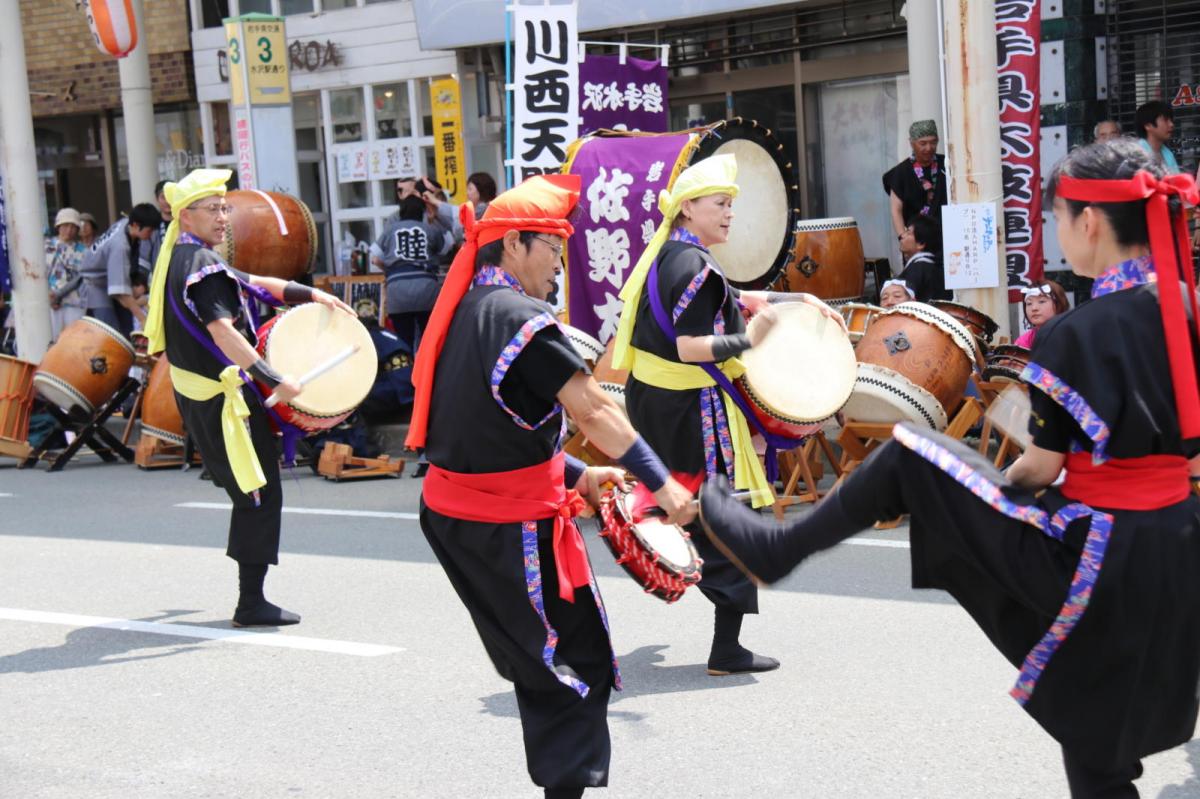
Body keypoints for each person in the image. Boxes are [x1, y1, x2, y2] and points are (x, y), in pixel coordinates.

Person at [698, 138, 1200, 798]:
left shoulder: (1073, 333)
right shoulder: (1187, 310)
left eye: (1056, 219)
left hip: (1099, 550)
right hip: (1178, 545)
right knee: (1104, 749)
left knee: (913, 452)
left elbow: (1041, 467)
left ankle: (782, 545)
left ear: (1089, 222)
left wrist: (985, 485)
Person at [407, 173, 695, 798]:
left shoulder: (462, 309)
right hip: (501, 519)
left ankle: (564, 784)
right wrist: (662, 483)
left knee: (551, 657)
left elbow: (487, 428)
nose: (560, 268)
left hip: (465, 510)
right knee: (566, 662)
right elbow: (594, 410)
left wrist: (580, 474)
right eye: (554, 252)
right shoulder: (518, 319)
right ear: (513, 245)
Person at [612, 154, 842, 676]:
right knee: (728, 516)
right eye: (720, 203)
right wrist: (750, 339)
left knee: (690, 502)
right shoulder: (694, 266)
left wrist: (793, 298)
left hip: (659, 400)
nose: (729, 214)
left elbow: (730, 298)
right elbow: (694, 344)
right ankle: (723, 644)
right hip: (689, 407)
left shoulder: (672, 254)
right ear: (688, 207)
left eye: (731, 205)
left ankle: (657, 547)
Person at [144, 168, 354, 627]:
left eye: (225, 208)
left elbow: (254, 280)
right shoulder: (200, 266)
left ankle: (251, 597)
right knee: (257, 494)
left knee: (250, 491)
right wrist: (273, 377)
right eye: (213, 209)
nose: (223, 217)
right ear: (186, 216)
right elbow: (222, 331)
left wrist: (312, 294)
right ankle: (251, 602)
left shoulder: (187, 257)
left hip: (203, 399)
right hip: (224, 404)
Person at [371, 194, 451, 352]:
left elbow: (375, 259)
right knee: (429, 339)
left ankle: (406, 372)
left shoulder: (390, 230)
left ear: (401, 212)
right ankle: (426, 374)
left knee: (404, 339)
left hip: (397, 290)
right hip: (426, 289)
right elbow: (448, 246)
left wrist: (390, 270)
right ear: (422, 212)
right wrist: (434, 219)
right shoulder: (430, 229)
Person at [79, 203, 160, 336]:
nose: (151, 235)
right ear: (136, 225)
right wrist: (143, 319)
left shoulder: (125, 223)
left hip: (109, 279)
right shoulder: (120, 246)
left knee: (126, 329)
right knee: (111, 335)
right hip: (95, 286)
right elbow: (121, 294)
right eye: (149, 231)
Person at [883, 119, 948, 240]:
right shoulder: (900, 172)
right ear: (912, 143)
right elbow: (896, 210)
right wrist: (904, 237)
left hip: (947, 237)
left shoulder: (947, 164)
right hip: (916, 241)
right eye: (923, 143)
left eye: (933, 142)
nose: (929, 148)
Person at [46, 208, 87, 341]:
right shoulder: (45, 246)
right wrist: (48, 294)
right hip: (49, 301)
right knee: (51, 341)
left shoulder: (83, 251)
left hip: (74, 302)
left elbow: (82, 277)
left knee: (73, 341)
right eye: (65, 226)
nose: (69, 230)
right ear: (58, 226)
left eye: (73, 227)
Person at [896, 214, 951, 302]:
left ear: (920, 244)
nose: (902, 236)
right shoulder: (932, 266)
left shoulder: (918, 268)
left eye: (908, 233)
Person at [1013, 280, 1069, 349]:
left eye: (1042, 301)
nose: (1034, 308)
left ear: (1058, 304)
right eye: (1029, 303)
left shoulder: (1072, 335)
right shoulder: (1024, 341)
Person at [1134, 100, 1179, 174]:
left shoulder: (1168, 154)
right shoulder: (1136, 153)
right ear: (1148, 125)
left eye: (1171, 120)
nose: (1171, 124)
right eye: (1165, 120)